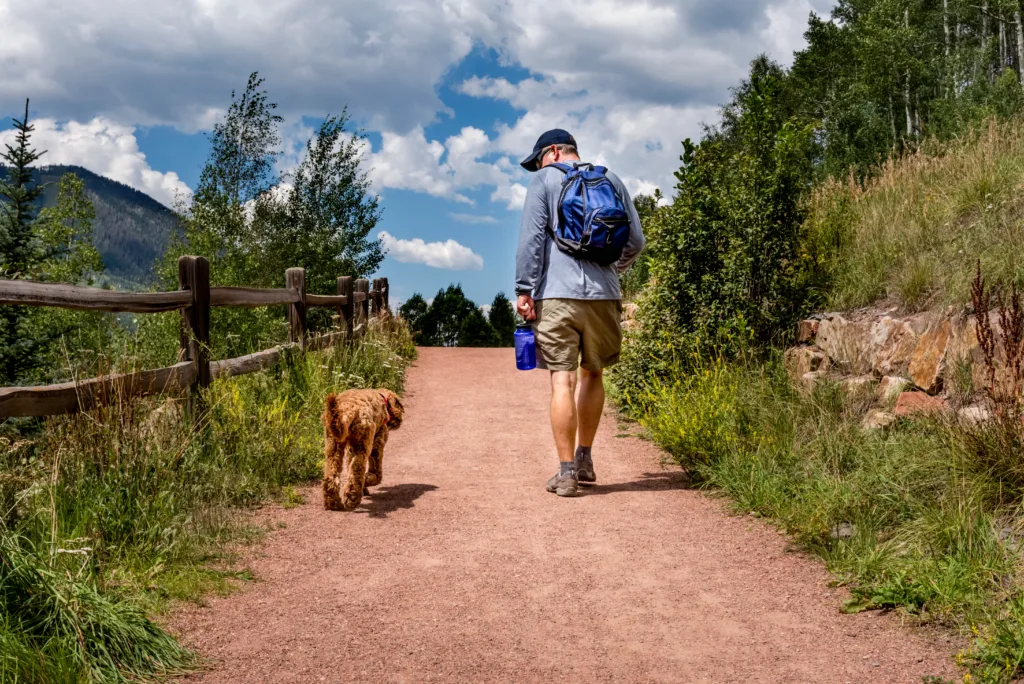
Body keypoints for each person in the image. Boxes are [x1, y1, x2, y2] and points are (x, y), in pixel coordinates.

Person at [514, 129, 646, 497]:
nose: (537, 166)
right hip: (604, 295)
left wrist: (524, 290)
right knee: (594, 374)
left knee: (561, 380)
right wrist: (609, 272)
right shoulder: (610, 178)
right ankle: (585, 458)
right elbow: (636, 241)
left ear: (554, 151)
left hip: (556, 295)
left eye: (539, 158)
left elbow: (531, 240)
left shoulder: (544, 180)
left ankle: (567, 473)